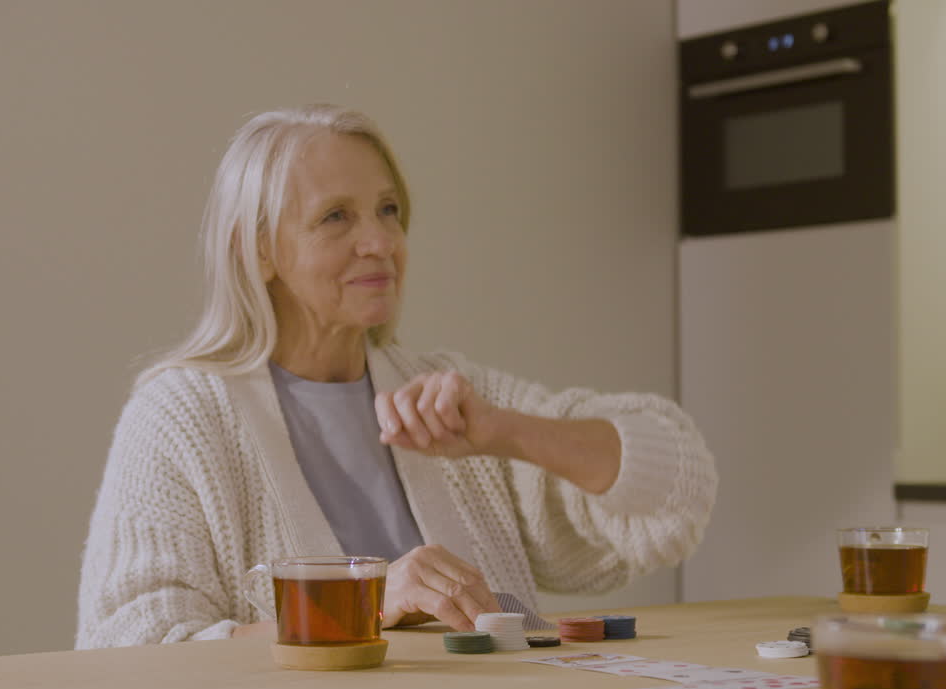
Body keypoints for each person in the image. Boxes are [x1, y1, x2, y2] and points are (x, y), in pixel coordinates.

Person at [75, 104, 718, 648]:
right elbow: (126, 646)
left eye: (388, 210)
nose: (381, 242)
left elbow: (678, 486)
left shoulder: (445, 392)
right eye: (336, 217)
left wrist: (505, 432)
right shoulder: (181, 415)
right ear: (258, 248)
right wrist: (363, 606)